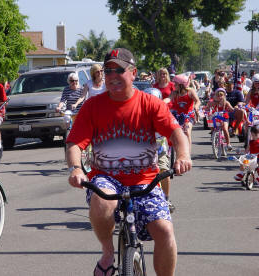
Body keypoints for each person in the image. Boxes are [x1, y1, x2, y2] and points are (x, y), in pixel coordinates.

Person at [66, 48, 192, 276]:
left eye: (119, 70)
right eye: (108, 71)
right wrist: (76, 168)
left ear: (133, 73)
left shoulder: (150, 104)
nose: (112, 75)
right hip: (106, 177)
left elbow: (176, 134)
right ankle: (107, 253)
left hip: (145, 180)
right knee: (101, 201)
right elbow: (74, 143)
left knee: (164, 231)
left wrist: (183, 156)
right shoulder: (92, 107)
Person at [144, 87, 175, 212]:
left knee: (164, 171)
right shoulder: (137, 115)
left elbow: (174, 131)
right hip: (141, 151)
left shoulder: (164, 115)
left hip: (159, 148)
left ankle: (166, 198)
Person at [167, 74, 201, 153]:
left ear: (181, 85)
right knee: (171, 131)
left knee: (187, 132)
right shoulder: (174, 93)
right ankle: (171, 149)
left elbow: (198, 101)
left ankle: (187, 154)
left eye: (175, 83)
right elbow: (168, 99)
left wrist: (196, 106)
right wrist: (161, 103)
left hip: (188, 116)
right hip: (176, 116)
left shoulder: (190, 91)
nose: (174, 85)